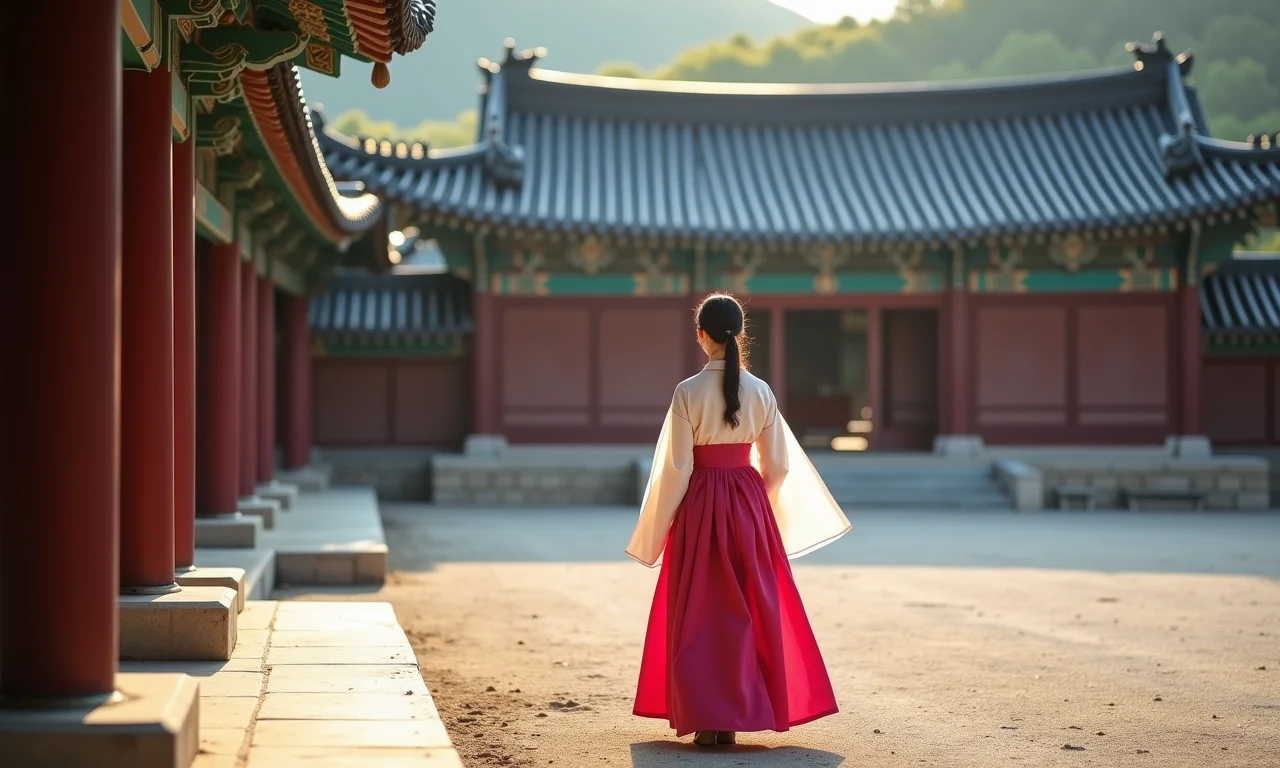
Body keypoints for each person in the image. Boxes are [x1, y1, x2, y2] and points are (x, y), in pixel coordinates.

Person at [626, 292, 852, 747]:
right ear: (740, 334)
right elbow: (780, 467)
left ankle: (707, 717)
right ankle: (748, 707)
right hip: (748, 503)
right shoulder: (762, 391)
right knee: (753, 606)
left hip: (700, 504)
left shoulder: (687, 392)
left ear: (701, 335)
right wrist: (753, 503)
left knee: (702, 611)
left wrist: (656, 532)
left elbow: (677, 469)